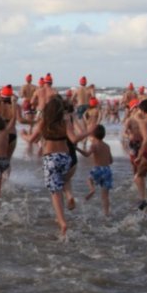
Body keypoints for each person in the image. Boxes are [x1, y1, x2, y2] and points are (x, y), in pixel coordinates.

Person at [26, 94, 93, 237]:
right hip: (65, 158)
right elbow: (74, 139)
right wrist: (88, 132)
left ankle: (62, 222)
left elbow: (32, 140)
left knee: (55, 193)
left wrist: (24, 135)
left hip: (50, 159)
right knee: (62, 184)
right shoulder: (65, 122)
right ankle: (61, 215)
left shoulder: (43, 122)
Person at [80, 124, 114, 216]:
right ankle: (106, 214)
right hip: (107, 170)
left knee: (89, 179)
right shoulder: (107, 146)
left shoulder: (94, 145)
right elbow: (111, 161)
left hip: (98, 168)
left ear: (93, 135)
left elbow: (87, 154)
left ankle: (92, 189)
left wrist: (77, 149)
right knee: (105, 196)